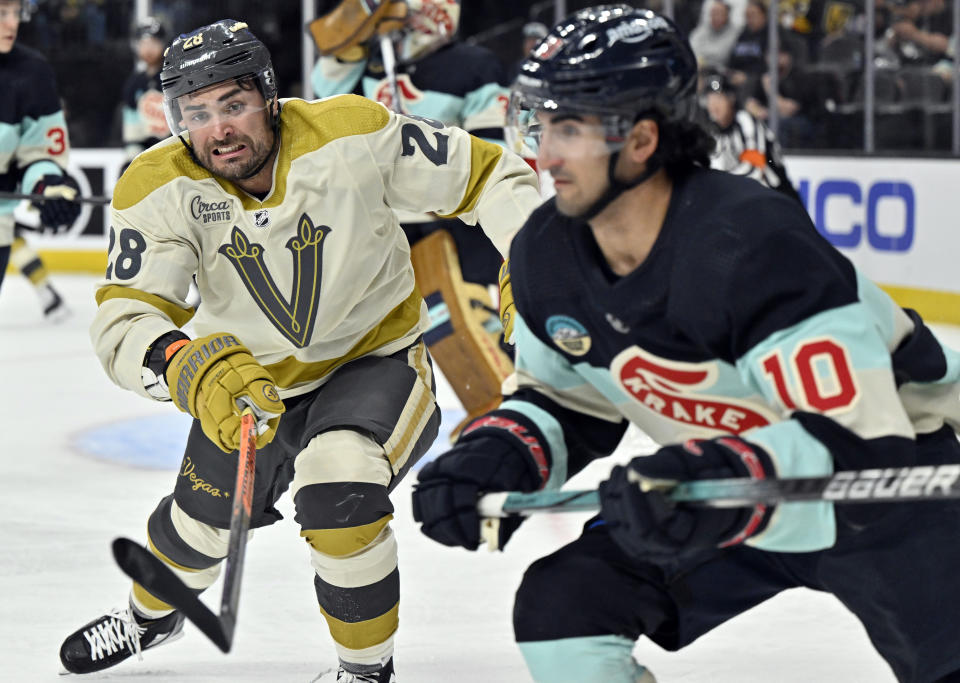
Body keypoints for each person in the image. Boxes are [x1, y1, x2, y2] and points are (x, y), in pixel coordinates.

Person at [411, 6, 960, 683]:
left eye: (570, 127)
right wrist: (499, 453)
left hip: (887, 493)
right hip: (727, 490)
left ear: (641, 140)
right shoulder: (542, 255)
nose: (543, 153)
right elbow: (568, 399)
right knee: (564, 609)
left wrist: (710, 478)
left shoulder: (753, 243)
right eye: (541, 123)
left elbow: (856, 443)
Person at [57, 18, 540, 682]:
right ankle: (150, 618)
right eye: (195, 113)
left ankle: (364, 670)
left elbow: (487, 174)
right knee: (195, 528)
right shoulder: (155, 185)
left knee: (337, 488)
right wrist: (182, 362)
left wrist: (536, 262)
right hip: (249, 385)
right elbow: (126, 314)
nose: (218, 129)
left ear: (268, 96)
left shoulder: (352, 132)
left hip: (373, 361)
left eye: (233, 104)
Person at [309, 0, 518, 434]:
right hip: (384, 232)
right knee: (402, 338)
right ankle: (484, 411)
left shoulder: (472, 65)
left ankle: (515, 415)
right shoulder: (367, 67)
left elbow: (491, 153)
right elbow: (321, 105)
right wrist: (345, 52)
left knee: (473, 323)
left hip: (457, 228)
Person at [0, 0, 80, 320]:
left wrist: (48, 184)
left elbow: (39, 155)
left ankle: (48, 296)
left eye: (15, 13)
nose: (12, 24)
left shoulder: (31, 73)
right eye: (1, 13)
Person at [702, 71, 801, 201]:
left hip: (777, 199)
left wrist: (718, 183)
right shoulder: (713, 132)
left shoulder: (746, 122)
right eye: (710, 99)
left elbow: (755, 168)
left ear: (731, 98)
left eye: (719, 98)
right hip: (746, 202)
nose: (714, 105)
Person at [120, 17, 170, 169]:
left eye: (154, 43)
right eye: (143, 44)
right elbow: (131, 123)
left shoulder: (173, 77)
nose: (148, 49)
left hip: (171, 146)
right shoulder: (134, 82)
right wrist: (132, 156)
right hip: (142, 151)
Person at [689, 0, 739, 70]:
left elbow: (721, 55)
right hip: (699, 69)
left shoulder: (734, 32)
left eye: (719, 13)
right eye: (714, 13)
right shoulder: (702, 29)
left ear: (727, 15)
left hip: (720, 73)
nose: (716, 17)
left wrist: (702, 58)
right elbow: (691, 50)